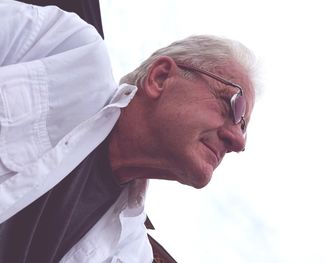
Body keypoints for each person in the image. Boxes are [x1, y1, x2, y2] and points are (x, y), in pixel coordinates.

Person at [0, 1, 257, 262]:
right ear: (160, 78)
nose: (238, 141)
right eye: (235, 105)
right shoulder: (65, 49)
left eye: (244, 128)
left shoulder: (131, 252)